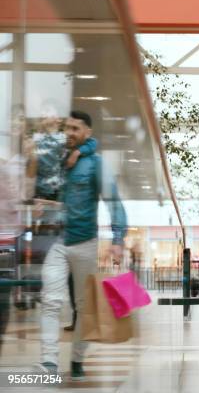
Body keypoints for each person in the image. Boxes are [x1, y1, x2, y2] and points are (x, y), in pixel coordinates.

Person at [36, 111, 127, 381]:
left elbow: (113, 200)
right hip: (56, 242)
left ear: (87, 132)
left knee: (83, 306)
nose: (70, 133)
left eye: (76, 128)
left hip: (85, 242)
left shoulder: (95, 164)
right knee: (50, 301)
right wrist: (41, 202)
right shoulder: (56, 161)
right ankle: (49, 362)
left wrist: (117, 239)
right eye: (68, 128)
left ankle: (77, 358)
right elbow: (45, 191)